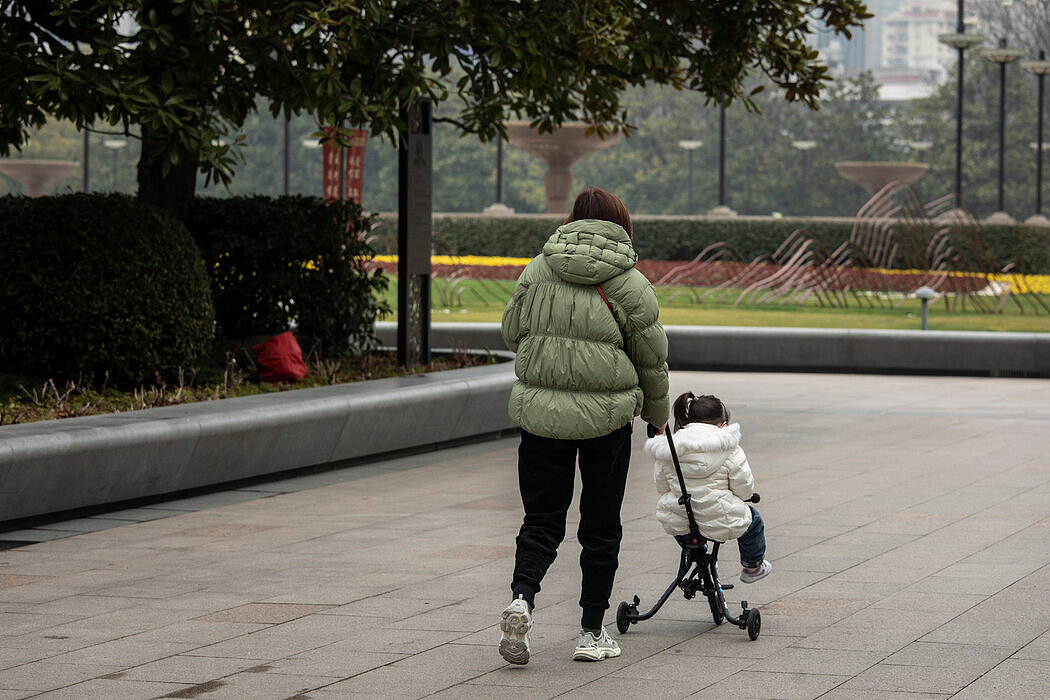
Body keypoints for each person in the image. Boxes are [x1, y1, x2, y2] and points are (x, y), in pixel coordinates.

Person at [498, 186, 670, 665]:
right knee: (600, 526)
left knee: (541, 519)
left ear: (572, 219)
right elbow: (652, 361)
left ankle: (522, 599)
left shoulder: (537, 269)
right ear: (622, 224)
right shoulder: (631, 284)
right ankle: (591, 632)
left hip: (540, 419)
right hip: (605, 422)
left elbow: (513, 333)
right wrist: (657, 417)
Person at [645, 391, 771, 584]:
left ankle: (698, 556)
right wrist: (743, 496)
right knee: (753, 521)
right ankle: (752, 567)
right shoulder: (729, 447)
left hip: (682, 516)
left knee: (679, 522)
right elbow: (743, 487)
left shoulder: (669, 447)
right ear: (722, 423)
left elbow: (662, 486)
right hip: (721, 515)